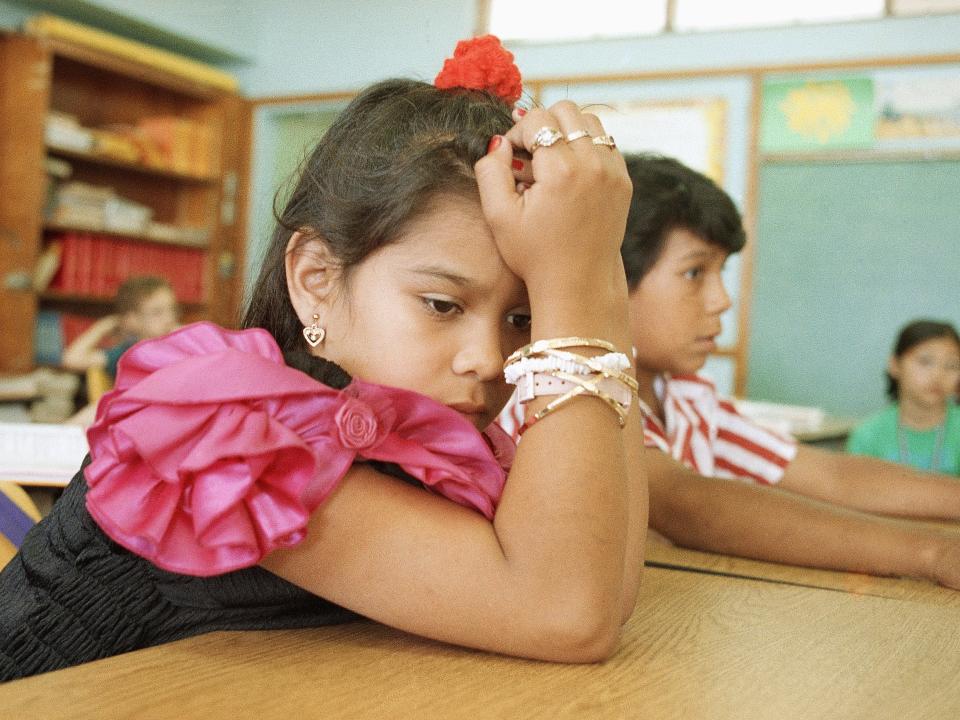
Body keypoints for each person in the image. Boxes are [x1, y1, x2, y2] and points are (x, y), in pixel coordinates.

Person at [0, 36, 646, 682]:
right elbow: (567, 613)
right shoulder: (236, 436)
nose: (489, 360)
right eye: (442, 305)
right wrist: (575, 289)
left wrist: (594, 283)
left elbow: (606, 590)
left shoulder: (417, 440)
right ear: (314, 278)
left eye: (524, 320)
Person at [501, 153, 960, 588]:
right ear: (611, 278)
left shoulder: (686, 396)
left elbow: (830, 477)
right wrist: (932, 554)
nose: (722, 299)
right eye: (695, 273)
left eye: (721, 273)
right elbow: (684, 502)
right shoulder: (562, 391)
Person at [847, 320, 960, 475]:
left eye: (952, 365)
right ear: (895, 365)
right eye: (925, 361)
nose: (938, 375)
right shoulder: (868, 435)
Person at [61, 275, 180, 379]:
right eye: (157, 312)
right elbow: (71, 359)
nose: (169, 319)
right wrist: (103, 326)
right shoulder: (126, 353)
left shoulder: (179, 348)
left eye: (172, 309)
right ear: (131, 320)